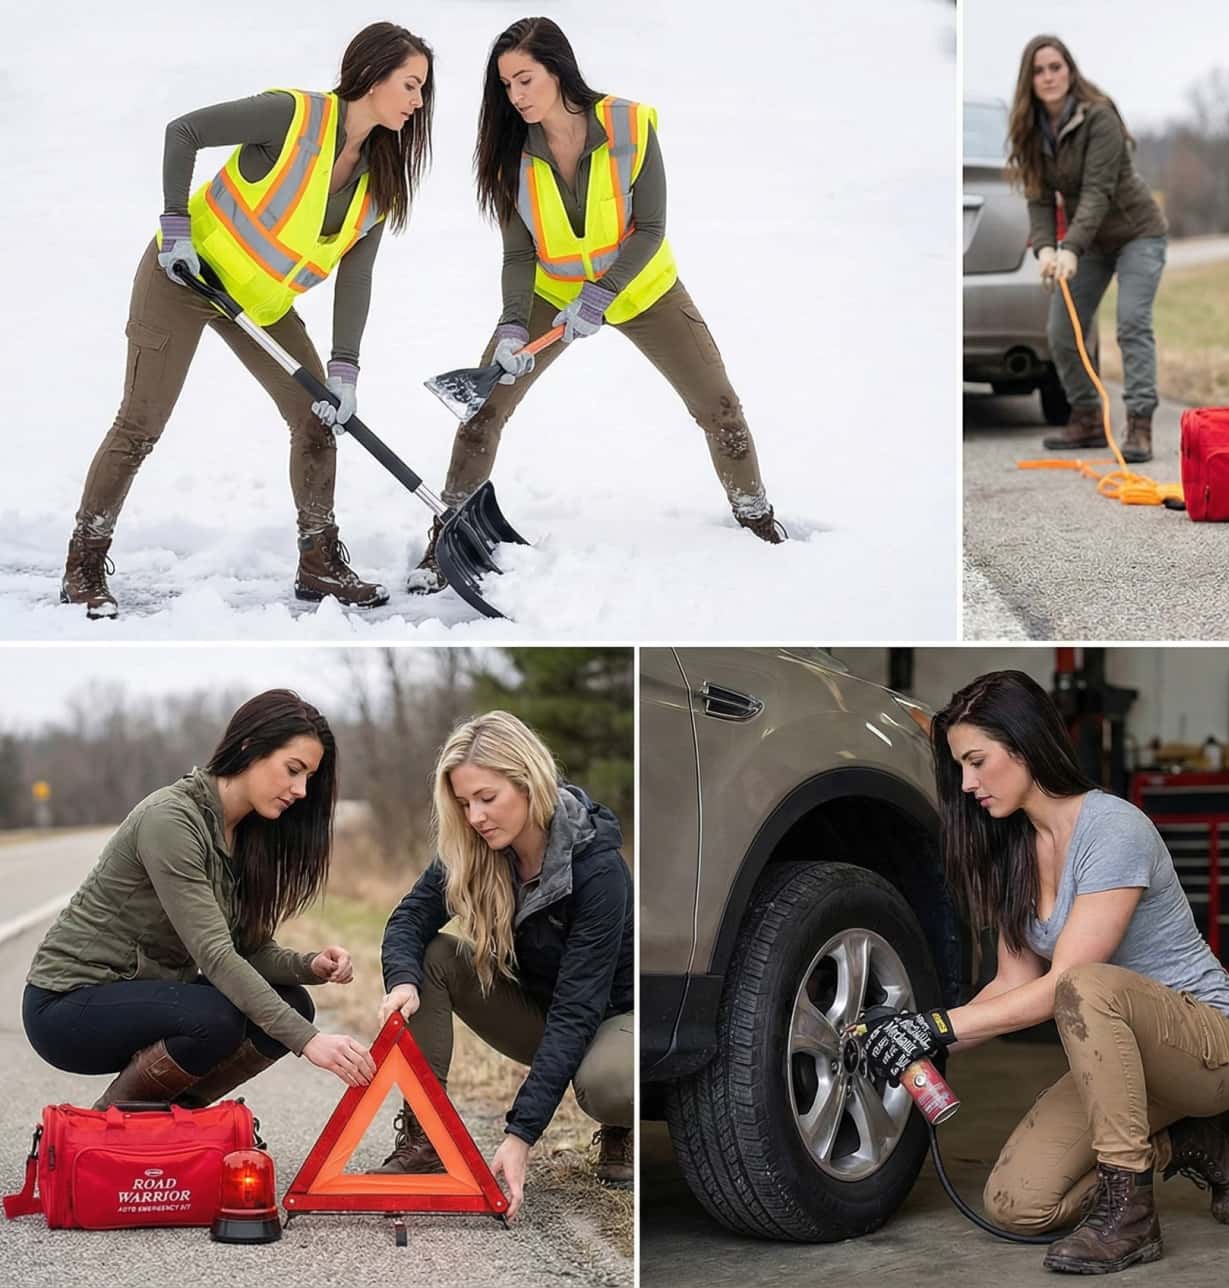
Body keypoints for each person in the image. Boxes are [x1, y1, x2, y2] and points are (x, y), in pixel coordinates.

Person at [860, 671, 1229, 1275]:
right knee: (1016, 1205)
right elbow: (1012, 987)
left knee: (1083, 983)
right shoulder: (1013, 849)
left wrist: (935, 1027)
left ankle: (1130, 1216)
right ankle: (1196, 1142)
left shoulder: (1113, 827)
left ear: (1023, 746)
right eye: (959, 768)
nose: (967, 784)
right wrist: (915, 1033)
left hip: (1211, 1047)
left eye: (977, 761)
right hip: (1121, 1062)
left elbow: (1067, 983)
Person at [60, 22, 435, 619]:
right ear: (372, 73)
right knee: (140, 424)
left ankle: (318, 562)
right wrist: (176, 229)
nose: (419, 102)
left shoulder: (380, 182)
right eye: (411, 85)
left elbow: (355, 279)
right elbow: (183, 132)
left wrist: (344, 371)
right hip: (182, 278)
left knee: (317, 420)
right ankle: (82, 563)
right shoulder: (292, 117)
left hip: (258, 307)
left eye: (423, 90)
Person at [408, 15, 783, 596]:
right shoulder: (513, 152)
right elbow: (517, 253)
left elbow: (651, 226)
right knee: (483, 414)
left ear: (558, 70)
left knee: (721, 409)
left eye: (526, 79)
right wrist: (512, 327)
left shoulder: (629, 124)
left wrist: (601, 295)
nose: (517, 96)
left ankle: (758, 522)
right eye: (506, 85)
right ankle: (446, 539)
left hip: (643, 291)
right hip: (551, 295)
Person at [21, 691, 375, 1108]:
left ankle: (171, 1126)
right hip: (68, 1004)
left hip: (142, 990)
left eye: (308, 778)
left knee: (291, 1000)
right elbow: (216, 955)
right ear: (250, 746)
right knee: (214, 1018)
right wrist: (309, 1042)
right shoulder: (171, 820)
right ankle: (110, 1130)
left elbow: (248, 950)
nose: (300, 790)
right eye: (293, 769)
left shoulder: (245, 832)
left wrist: (308, 966)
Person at [374, 711, 634, 1216]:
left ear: (529, 782)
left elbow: (579, 1009)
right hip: (537, 1011)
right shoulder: (473, 846)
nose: (474, 817)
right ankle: (427, 1138)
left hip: (608, 1019)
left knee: (609, 1082)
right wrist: (403, 982)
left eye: (487, 799)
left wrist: (520, 1135)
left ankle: (620, 1128)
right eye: (464, 802)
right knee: (432, 956)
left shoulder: (599, 869)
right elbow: (408, 919)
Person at [1005, 34, 1168, 463]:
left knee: (1131, 324)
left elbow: (1097, 191)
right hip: (1089, 241)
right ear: (1029, 79)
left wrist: (1070, 246)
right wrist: (1044, 249)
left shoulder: (1099, 118)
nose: (1048, 77)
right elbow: (1039, 198)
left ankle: (1139, 425)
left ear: (1070, 70)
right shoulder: (1032, 131)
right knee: (1061, 330)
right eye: (1039, 70)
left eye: (1055, 67)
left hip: (1138, 234)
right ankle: (1088, 419)